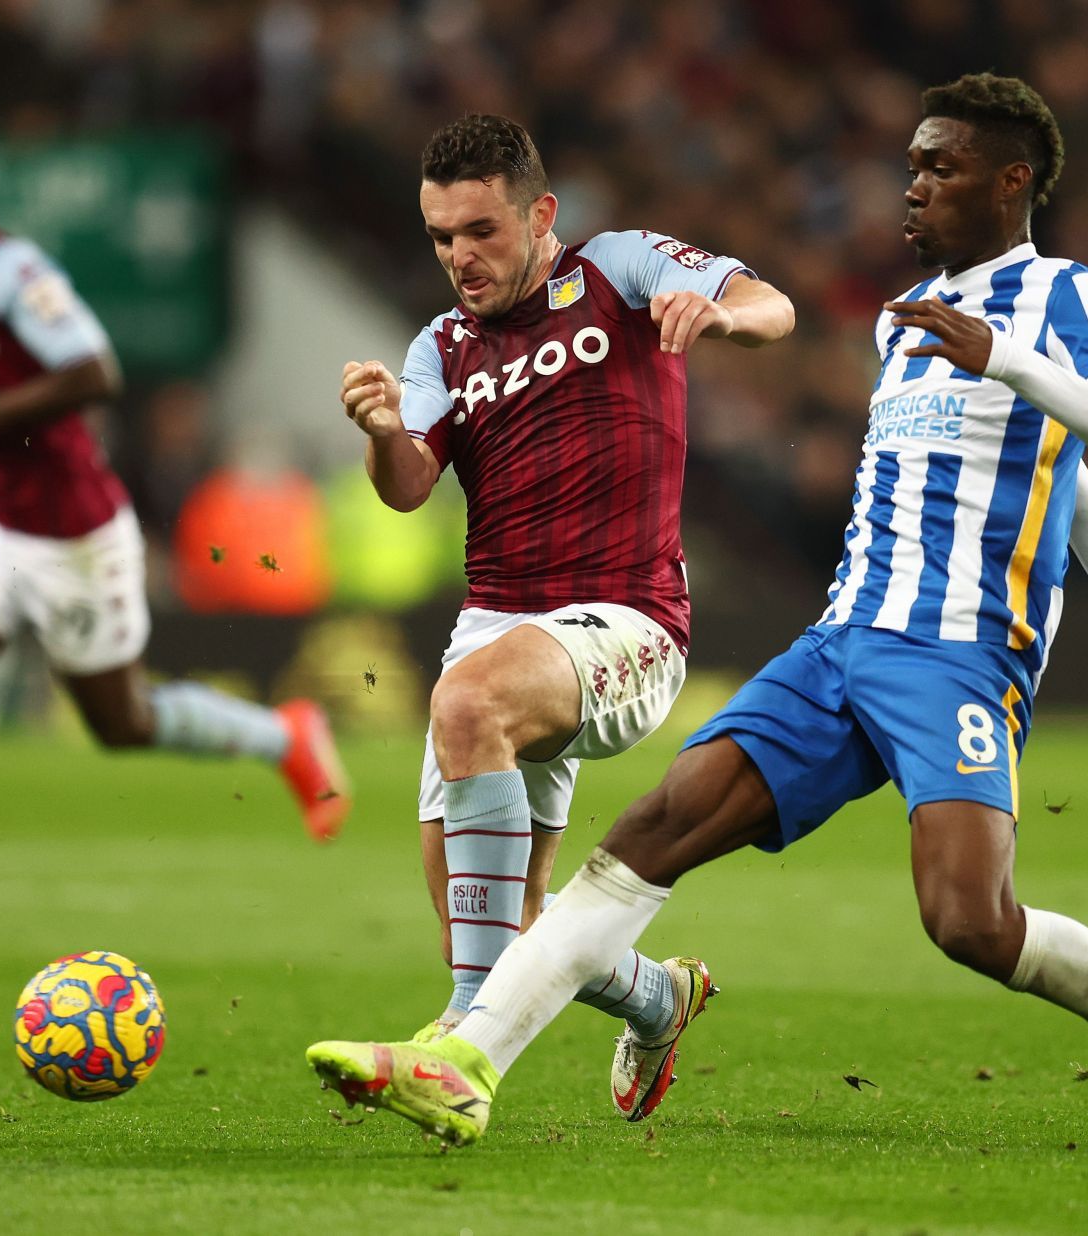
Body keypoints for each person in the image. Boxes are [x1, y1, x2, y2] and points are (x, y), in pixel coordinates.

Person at [306, 74, 1088, 1155]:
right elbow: (1037, 462)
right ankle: (468, 1062)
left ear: (1012, 182)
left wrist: (1020, 386)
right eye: (914, 165)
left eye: (941, 166)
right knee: (652, 833)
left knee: (970, 923)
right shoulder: (903, 322)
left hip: (957, 653)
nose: (913, 187)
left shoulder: (1060, 297)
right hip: (839, 642)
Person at [336, 113, 793, 1120]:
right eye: (442, 236)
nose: (460, 256)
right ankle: (658, 997)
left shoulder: (620, 267)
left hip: (629, 619)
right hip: (499, 628)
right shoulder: (441, 347)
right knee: (505, 917)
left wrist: (717, 315)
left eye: (481, 231)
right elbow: (409, 487)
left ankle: (460, 1041)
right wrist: (379, 434)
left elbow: (773, 308)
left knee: (466, 711)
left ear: (540, 214)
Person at [0, 135, 349, 972]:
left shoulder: (12, 273)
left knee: (120, 721)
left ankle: (285, 737)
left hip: (73, 535)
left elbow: (95, 371)